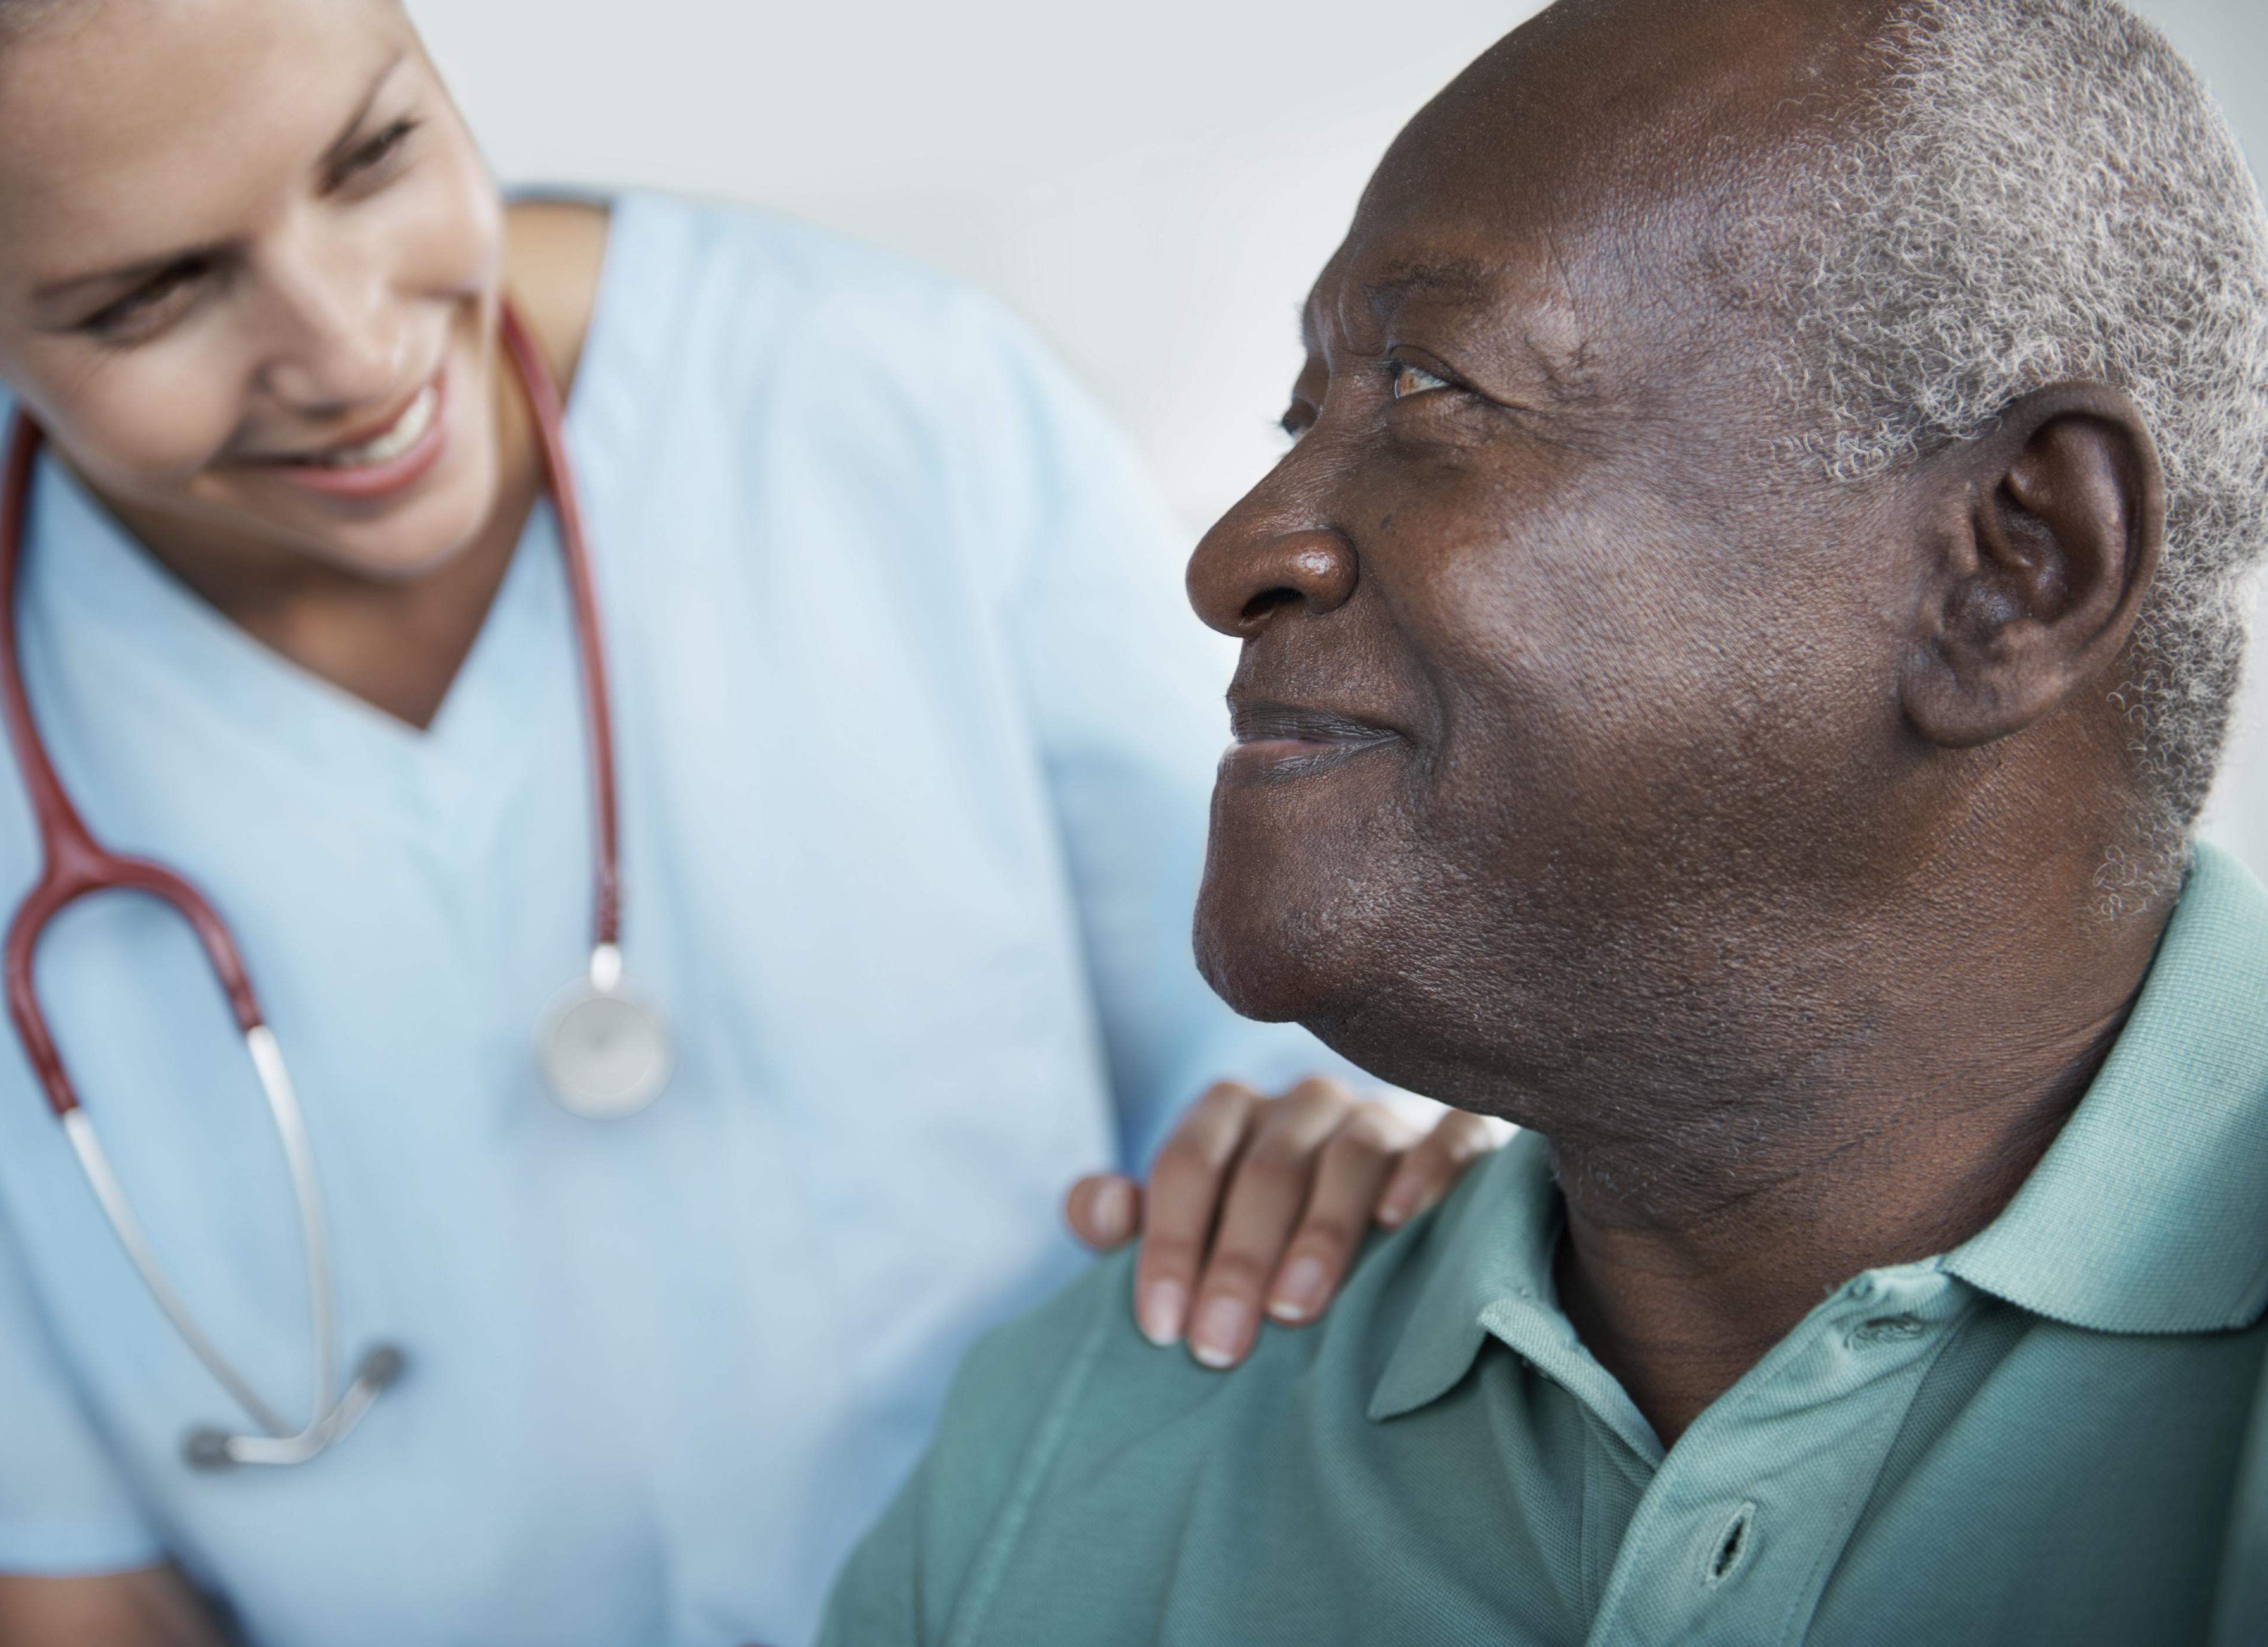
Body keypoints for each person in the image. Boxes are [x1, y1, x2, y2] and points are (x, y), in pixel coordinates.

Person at [0, 2, 1498, 1642]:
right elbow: (78, 1593)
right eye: (152, 296)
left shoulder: (886, 406)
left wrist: (1326, 1158)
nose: (351, 345)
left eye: (376, 149)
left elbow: (1286, 1111)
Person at [820, 0, 2268, 1641]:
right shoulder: (1104, 1432)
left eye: (1435, 387)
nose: (1238, 552)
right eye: (1304, 416)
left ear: (2013, 563)